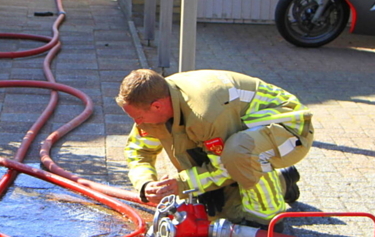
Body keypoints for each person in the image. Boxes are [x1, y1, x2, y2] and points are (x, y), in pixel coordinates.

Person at [116, 68, 314, 226]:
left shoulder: (205, 114)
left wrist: (182, 184)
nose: (137, 123)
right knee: (221, 212)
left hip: (290, 129)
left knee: (239, 153)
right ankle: (282, 181)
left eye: (138, 117)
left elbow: (226, 166)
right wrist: (145, 184)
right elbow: (139, 151)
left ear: (157, 106)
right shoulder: (154, 102)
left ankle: (267, 218)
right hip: (233, 141)